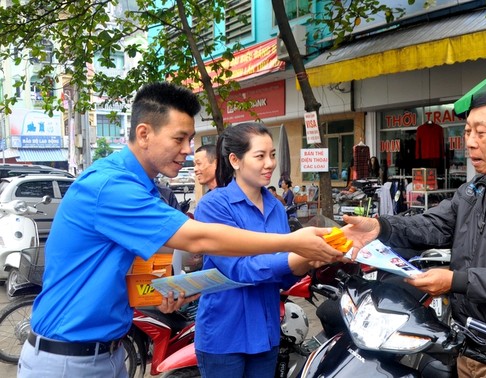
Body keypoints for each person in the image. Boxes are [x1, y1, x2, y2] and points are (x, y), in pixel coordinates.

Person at [18, 82, 341, 378]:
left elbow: (133, 258)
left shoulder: (143, 188)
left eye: (190, 139)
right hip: (68, 360)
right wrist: (291, 243)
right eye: (179, 139)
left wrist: (165, 288)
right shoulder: (111, 186)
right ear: (144, 133)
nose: (189, 150)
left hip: (110, 353)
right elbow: (198, 238)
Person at [342, 89, 486, 377]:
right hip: (469, 341)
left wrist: (455, 280)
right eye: (467, 132)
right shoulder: (476, 189)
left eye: (481, 133)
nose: (469, 142)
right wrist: (382, 226)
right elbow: (435, 224)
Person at [193, 122, 314, 378]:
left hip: (266, 332)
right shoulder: (213, 206)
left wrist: (310, 260)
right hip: (225, 334)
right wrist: (296, 254)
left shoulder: (277, 208)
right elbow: (239, 270)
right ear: (235, 160)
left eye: (272, 155)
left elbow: (284, 279)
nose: (269, 163)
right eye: (260, 156)